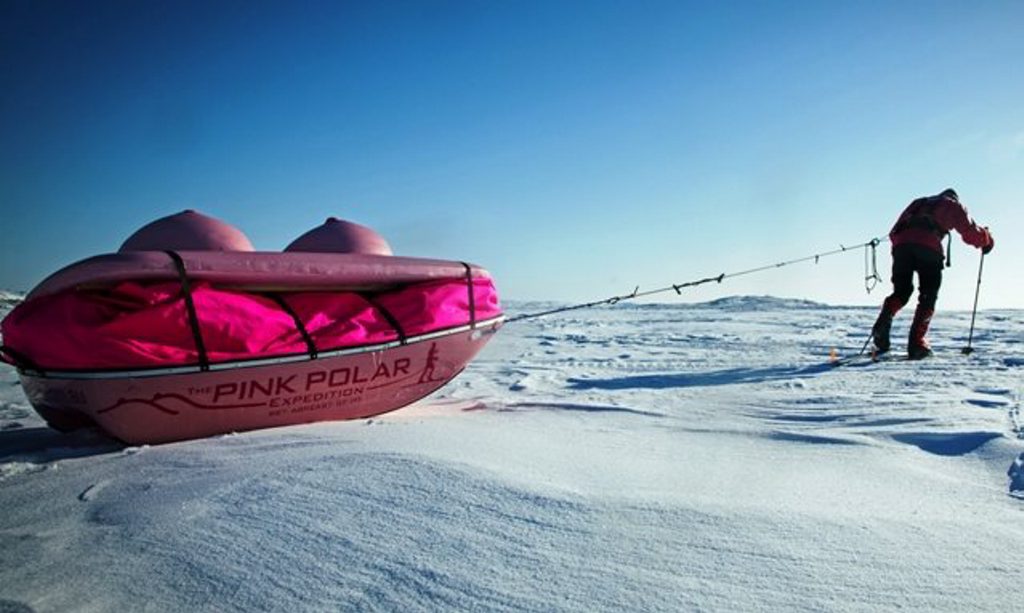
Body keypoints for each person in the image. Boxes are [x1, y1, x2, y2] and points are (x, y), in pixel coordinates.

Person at [872, 188, 994, 360]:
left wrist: (905, 243)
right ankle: (917, 344)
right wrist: (986, 239)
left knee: (902, 291)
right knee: (928, 295)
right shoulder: (953, 205)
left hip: (901, 247)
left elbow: (894, 231)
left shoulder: (919, 202)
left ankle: (883, 323)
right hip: (928, 247)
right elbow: (969, 232)